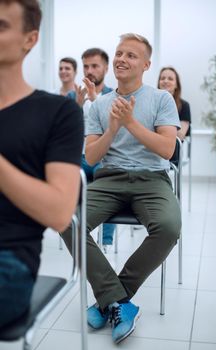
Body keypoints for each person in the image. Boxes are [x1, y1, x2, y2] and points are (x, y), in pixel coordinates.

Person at [63, 33, 181, 344]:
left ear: (145, 64)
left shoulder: (160, 99)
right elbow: (91, 156)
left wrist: (130, 123)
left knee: (169, 227)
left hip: (152, 179)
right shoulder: (99, 105)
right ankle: (118, 302)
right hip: (110, 179)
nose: (121, 59)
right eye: (119, 53)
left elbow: (168, 150)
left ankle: (112, 298)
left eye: (130, 55)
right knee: (67, 219)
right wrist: (113, 127)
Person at [0, 0, 84, 329]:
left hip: (9, 259)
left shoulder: (58, 113)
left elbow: (59, 213)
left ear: (30, 40)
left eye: (2, 26)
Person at [78, 48, 116, 249]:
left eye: (95, 66)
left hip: (105, 159)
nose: (89, 70)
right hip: (79, 158)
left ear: (106, 69)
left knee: (112, 185)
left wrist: (94, 100)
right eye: (86, 66)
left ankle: (106, 242)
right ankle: (74, 232)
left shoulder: (114, 96)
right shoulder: (74, 95)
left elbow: (115, 130)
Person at [157, 66, 191, 140]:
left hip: (173, 148)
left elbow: (180, 136)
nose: (165, 81)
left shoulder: (184, 105)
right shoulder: (152, 103)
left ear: (176, 85)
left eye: (170, 79)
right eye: (162, 78)